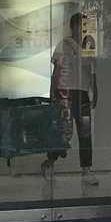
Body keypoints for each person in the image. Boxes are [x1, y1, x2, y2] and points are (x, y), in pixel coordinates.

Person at [44, 12, 99, 188]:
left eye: (84, 26)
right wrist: (53, 93)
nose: (82, 29)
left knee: (85, 132)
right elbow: (56, 72)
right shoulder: (64, 44)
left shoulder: (89, 44)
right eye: (79, 25)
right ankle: (49, 163)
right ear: (72, 27)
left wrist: (95, 89)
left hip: (82, 93)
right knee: (63, 133)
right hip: (65, 93)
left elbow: (92, 70)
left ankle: (87, 169)